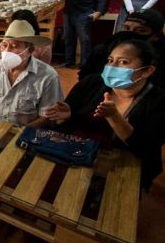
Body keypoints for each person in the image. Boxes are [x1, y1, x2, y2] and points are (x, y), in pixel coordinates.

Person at [45, 39, 165, 190]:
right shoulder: (91, 84)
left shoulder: (159, 102)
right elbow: (64, 129)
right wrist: (65, 118)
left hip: (122, 169)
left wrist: (115, 118)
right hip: (77, 155)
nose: (112, 66)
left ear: (147, 71)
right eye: (110, 60)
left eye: (123, 62)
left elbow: (144, 148)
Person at [0, 20, 63, 127]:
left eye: (14, 46)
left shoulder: (48, 77)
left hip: (26, 133)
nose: (7, 51)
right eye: (5, 45)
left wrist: (18, 134)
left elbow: (46, 117)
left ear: (30, 50)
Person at [79, 9, 165, 88]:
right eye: (126, 28)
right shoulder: (102, 50)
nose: (130, 34)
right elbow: (85, 80)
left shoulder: (160, 60)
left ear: (156, 36)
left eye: (140, 30)